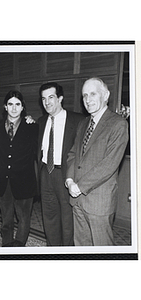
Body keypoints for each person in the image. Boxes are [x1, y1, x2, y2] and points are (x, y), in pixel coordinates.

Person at [65, 77, 129, 246]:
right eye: (84, 95)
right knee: (81, 246)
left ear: (105, 95)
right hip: (77, 199)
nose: (87, 99)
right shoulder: (83, 123)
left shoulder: (118, 124)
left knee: (102, 249)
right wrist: (70, 180)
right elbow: (73, 154)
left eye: (93, 94)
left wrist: (79, 186)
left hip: (99, 202)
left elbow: (109, 164)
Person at [38, 82, 84, 246]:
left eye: (51, 97)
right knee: (49, 216)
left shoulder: (78, 120)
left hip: (66, 175)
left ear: (60, 99)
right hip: (46, 173)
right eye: (43, 99)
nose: (47, 102)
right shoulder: (41, 121)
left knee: (67, 218)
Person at [0, 90, 38, 247]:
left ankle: (19, 248)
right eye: (10, 104)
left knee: (24, 219)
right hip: (3, 182)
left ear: (22, 107)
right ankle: (6, 246)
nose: (14, 108)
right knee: (6, 218)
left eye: (17, 104)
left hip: (25, 181)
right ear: (5, 106)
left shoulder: (33, 127)